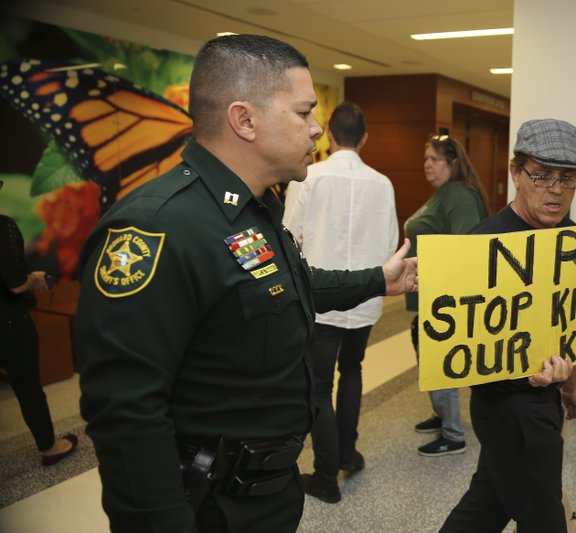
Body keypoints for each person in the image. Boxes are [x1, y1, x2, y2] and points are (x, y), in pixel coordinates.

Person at [73, 35, 417, 533]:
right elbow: (126, 415)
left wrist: (377, 280)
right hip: (210, 506)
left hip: (269, 493)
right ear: (245, 120)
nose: (318, 129)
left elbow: (286, 288)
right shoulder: (159, 229)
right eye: (303, 114)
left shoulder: (252, 212)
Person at [439, 119, 576, 533]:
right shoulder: (482, 245)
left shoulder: (573, 241)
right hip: (506, 406)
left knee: (488, 501)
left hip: (544, 403)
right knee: (544, 518)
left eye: (568, 177)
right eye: (541, 175)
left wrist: (571, 384)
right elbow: (457, 346)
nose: (556, 189)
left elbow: (565, 326)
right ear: (515, 172)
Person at [282, 101, 398, 503]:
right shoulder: (382, 183)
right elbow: (389, 244)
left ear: (328, 135)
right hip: (365, 296)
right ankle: (348, 452)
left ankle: (326, 476)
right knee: (353, 369)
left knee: (317, 386)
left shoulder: (309, 176)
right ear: (364, 138)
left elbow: (287, 235)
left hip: (321, 297)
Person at [405, 134, 489, 457]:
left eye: (434, 159)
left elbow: (465, 248)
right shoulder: (444, 194)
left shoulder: (458, 195)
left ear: (452, 164)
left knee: (441, 361)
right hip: (429, 293)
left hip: (445, 296)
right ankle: (442, 417)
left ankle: (453, 435)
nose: (427, 164)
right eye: (425, 158)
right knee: (428, 355)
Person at [0, 180, 78, 467]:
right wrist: (34, 278)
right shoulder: (3, 226)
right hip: (8, 322)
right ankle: (50, 447)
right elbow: (16, 284)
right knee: (27, 385)